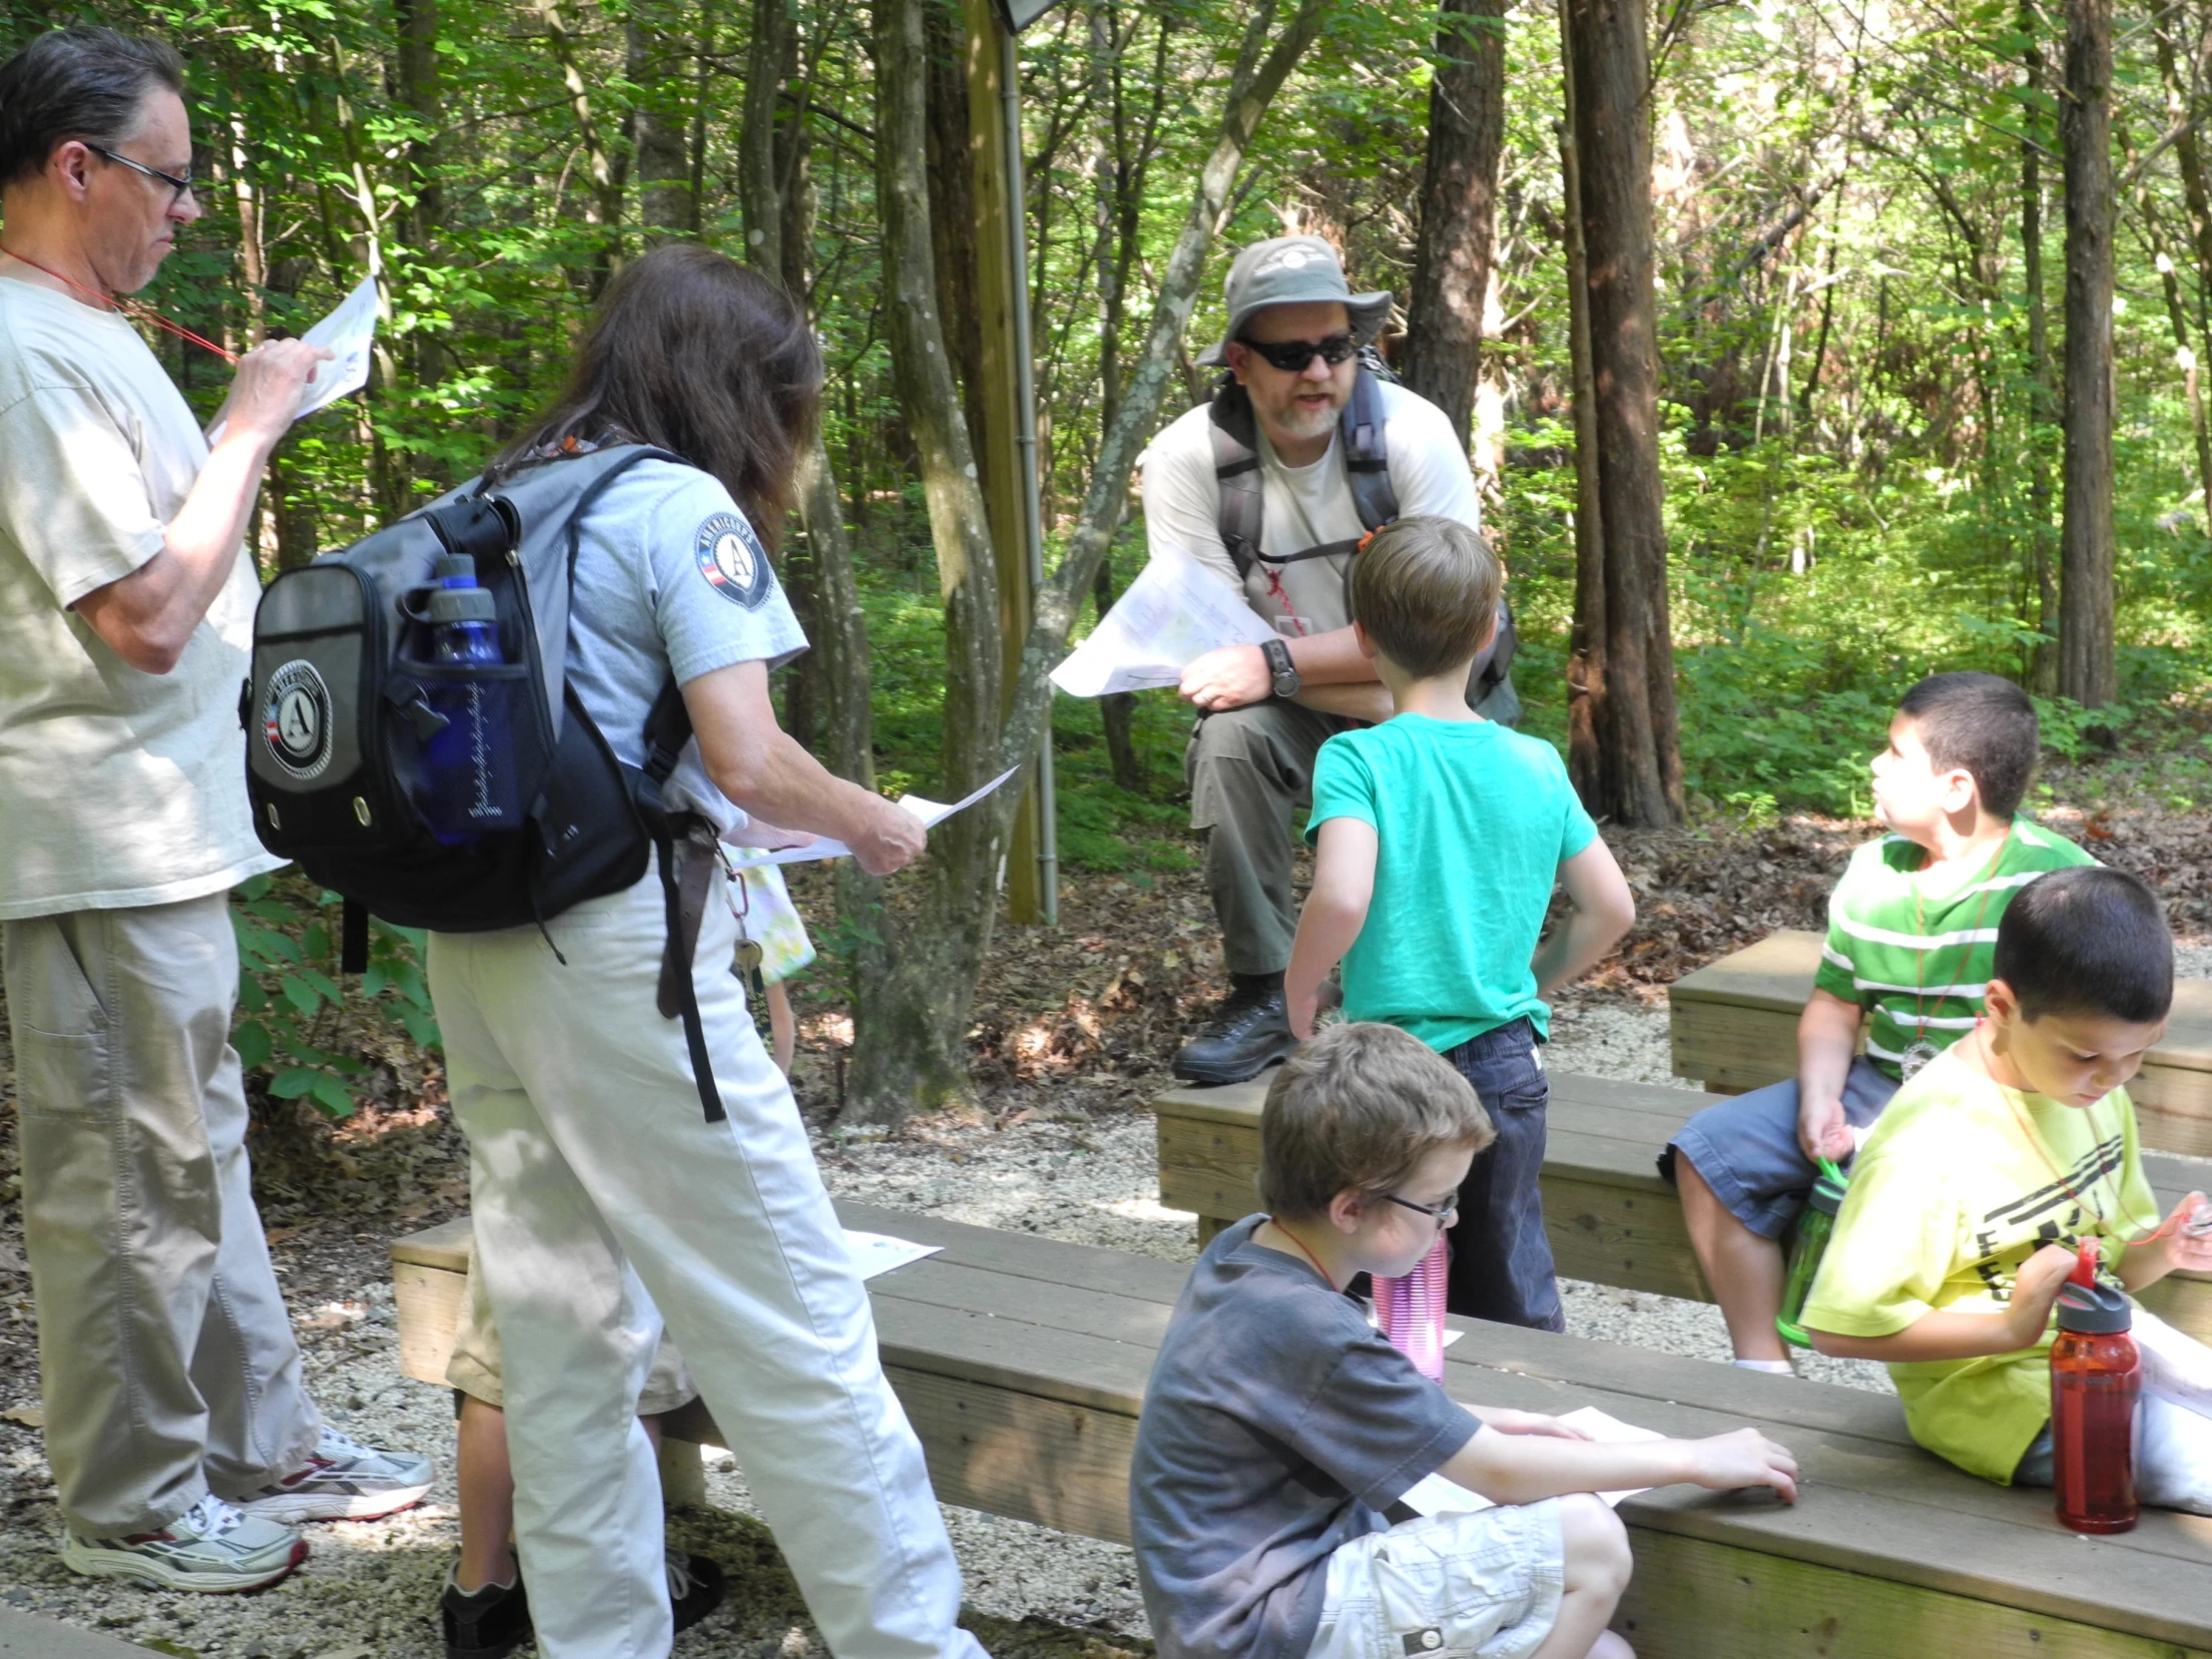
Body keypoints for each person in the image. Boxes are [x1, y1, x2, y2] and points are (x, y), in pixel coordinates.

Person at [423, 244, 989, 1659]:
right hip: (620, 954)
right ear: (744, 388)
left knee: (558, 1338)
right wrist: (870, 821)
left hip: (477, 945)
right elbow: (745, 756)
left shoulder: (491, 494)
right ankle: (916, 1644)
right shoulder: (678, 507)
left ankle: (597, 1639)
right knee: (793, 1317)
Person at [0, 25, 431, 1594]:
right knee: (123, 1176)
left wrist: (256, 415)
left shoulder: (90, 329)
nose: (187, 210)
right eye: (169, 181)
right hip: (93, 835)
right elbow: (140, 620)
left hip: (168, 828)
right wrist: (249, 421)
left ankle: (263, 1443)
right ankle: (125, 1503)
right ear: (75, 168)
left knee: (197, 1149)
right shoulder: (23, 352)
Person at [1131, 1022, 1800, 1659]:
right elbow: (1499, 1473)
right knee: (1588, 1541)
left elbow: (1315, 1403)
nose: (1449, 1221)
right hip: (1270, 1626)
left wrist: (1481, 1421)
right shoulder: (1303, 1323)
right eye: (1436, 1202)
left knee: (1603, 1652)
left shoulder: (1248, 1249)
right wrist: (1694, 1459)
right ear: (1351, 1208)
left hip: (1259, 1602)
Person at [1140, 235, 1517, 1086]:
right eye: (1290, 353)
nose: (1318, 372)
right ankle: (1267, 993)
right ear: (1239, 361)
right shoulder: (1184, 461)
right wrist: (1296, 676)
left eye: (1338, 348)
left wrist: (1272, 665)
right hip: (1340, 693)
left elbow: (1452, 621)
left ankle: (1459, 1017)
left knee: (1424, 749)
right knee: (1228, 740)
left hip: (1437, 687)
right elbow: (1211, 649)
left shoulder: (1414, 434)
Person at [1659, 672, 2094, 1371]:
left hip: (2003, 1111)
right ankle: (1763, 1369)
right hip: (1879, 1085)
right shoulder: (1873, 874)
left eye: (1895, 753)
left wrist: (1915, 1129)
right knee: (1709, 1151)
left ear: (1956, 788)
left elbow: (2076, 1041)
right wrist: (1821, 1096)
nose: (1874, 764)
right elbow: (1836, 1003)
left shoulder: (2060, 889)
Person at [437, 859, 812, 1656]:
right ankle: (625, 1578)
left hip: (524, 1126)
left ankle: (480, 1588)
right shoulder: (736, 860)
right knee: (623, 1380)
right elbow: (774, 1016)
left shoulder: (514, 845)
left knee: (499, 1375)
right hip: (657, 1142)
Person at [1283, 517, 1633, 1329]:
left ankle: (1390, 1429)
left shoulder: (1359, 758)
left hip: (1390, 1075)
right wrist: (1522, 988)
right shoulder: (1534, 761)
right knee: (1506, 1270)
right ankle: (1539, 1432)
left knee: (1374, 1271)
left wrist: (1300, 991)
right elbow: (1612, 908)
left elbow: (1340, 897)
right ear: (1485, 635)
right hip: (1506, 1063)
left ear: (1363, 638)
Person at [1803, 866, 2212, 1504]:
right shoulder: (1925, 1143)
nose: (2115, 1077)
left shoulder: (2091, 1091)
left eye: (2139, 1054)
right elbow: (1836, 1329)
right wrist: (2008, 1330)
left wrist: (2164, 1249)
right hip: (1998, 1397)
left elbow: (2107, 1273)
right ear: (2000, 1006)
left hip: (2102, 1350)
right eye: (2087, 1055)